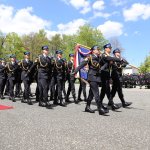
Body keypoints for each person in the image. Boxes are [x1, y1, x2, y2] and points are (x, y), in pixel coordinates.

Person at [74, 46, 107, 115]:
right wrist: (75, 71)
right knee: (96, 93)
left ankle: (87, 107)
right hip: (92, 77)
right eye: (97, 49)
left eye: (98, 49)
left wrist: (102, 68)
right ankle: (100, 108)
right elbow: (82, 64)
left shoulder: (99, 57)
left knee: (91, 94)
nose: (98, 50)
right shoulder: (90, 57)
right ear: (93, 51)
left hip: (97, 77)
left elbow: (106, 63)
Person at [100, 43, 121, 110]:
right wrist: (119, 59)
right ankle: (112, 104)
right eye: (109, 48)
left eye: (111, 48)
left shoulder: (109, 56)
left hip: (107, 75)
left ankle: (100, 104)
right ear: (105, 48)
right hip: (103, 74)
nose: (110, 49)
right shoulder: (103, 55)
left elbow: (110, 66)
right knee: (107, 90)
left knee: (103, 91)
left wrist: (109, 77)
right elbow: (109, 59)